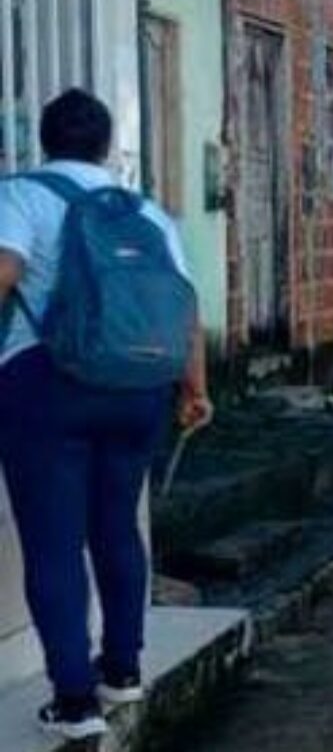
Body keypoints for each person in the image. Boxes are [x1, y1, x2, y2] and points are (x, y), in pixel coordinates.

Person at [0, 89, 212, 741]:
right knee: (117, 528)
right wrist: (194, 389)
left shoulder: (22, 196)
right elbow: (185, 308)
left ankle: (73, 701)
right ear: (105, 145)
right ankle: (122, 668)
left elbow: (3, 274)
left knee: (54, 543)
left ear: (44, 139)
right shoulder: (146, 212)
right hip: (140, 388)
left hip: (48, 384)